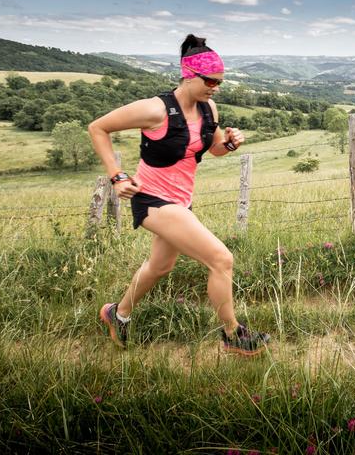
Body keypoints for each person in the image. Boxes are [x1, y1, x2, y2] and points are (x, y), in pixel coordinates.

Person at [88, 34, 270, 356]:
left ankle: (118, 314)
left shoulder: (208, 108)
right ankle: (232, 334)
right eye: (210, 81)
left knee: (159, 267)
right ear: (189, 75)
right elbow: (97, 128)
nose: (216, 87)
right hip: (152, 200)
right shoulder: (154, 110)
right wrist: (117, 176)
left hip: (182, 201)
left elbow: (213, 149)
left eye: (219, 82)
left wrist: (230, 143)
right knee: (221, 259)